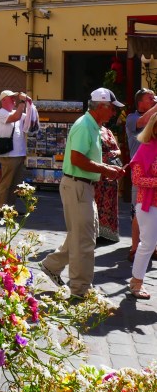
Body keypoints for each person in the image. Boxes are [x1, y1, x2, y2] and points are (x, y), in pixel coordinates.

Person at [40, 88, 125, 300]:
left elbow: (84, 159)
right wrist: (105, 169)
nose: (114, 113)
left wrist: (105, 170)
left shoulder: (92, 125)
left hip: (82, 186)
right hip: (78, 186)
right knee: (84, 241)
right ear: (101, 106)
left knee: (84, 235)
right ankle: (80, 290)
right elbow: (77, 159)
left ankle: (52, 265)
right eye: (112, 108)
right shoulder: (85, 126)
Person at [125, 88, 157, 261]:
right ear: (140, 102)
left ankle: (152, 246)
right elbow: (144, 121)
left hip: (155, 170)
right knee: (138, 210)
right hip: (141, 171)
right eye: (150, 98)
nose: (153, 100)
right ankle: (135, 247)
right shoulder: (132, 118)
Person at [127, 111, 157, 299]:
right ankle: (136, 282)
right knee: (148, 244)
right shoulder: (145, 149)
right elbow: (137, 179)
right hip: (149, 204)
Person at [0, 90, 39, 211]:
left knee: (15, 185)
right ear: (4, 100)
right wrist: (23, 102)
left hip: (18, 154)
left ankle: (10, 209)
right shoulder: (1, 113)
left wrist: (29, 102)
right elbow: (16, 117)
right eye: (11, 98)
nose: (14, 100)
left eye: (15, 98)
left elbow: (29, 117)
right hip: (9, 155)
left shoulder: (15, 111)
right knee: (6, 183)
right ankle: (1, 209)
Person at [94, 123, 123, 243]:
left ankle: (109, 233)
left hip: (111, 172)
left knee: (110, 203)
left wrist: (115, 153)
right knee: (98, 203)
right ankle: (97, 232)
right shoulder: (92, 131)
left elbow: (118, 149)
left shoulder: (108, 132)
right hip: (99, 173)